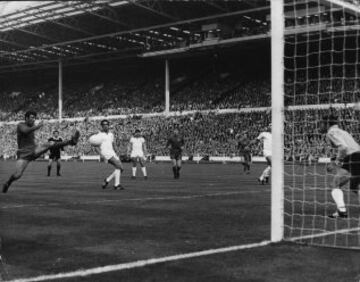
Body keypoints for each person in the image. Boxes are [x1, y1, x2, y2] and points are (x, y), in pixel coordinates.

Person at [2, 111, 80, 193]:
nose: (33, 119)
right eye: (32, 117)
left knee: (50, 143)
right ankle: (8, 183)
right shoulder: (21, 125)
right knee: (18, 174)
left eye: (34, 118)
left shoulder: (32, 126)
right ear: (26, 118)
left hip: (34, 151)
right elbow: (25, 131)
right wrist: (38, 126)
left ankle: (71, 142)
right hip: (23, 154)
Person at [323, 114, 360, 218]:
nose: (320, 126)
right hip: (358, 155)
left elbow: (343, 147)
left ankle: (342, 211)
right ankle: (341, 211)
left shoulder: (331, 132)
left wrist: (336, 163)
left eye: (321, 123)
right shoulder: (343, 131)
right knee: (354, 186)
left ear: (326, 124)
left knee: (335, 184)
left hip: (353, 157)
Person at [89, 119, 124, 190]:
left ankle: (107, 180)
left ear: (109, 125)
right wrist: (101, 155)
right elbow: (95, 146)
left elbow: (113, 144)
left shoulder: (111, 134)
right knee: (118, 166)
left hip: (112, 153)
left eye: (106, 125)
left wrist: (117, 150)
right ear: (101, 126)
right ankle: (116, 185)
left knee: (121, 168)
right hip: (106, 153)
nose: (105, 126)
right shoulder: (99, 135)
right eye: (103, 125)